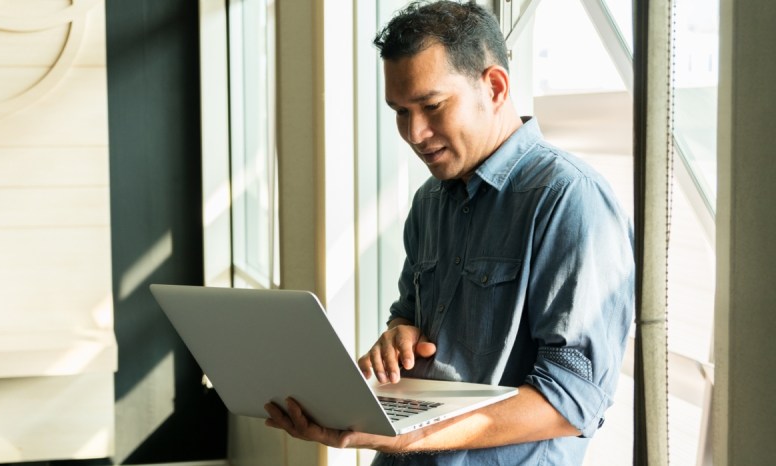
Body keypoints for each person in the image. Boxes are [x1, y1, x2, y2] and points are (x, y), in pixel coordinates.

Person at [264, 1, 635, 464]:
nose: (415, 133)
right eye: (400, 111)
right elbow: (408, 314)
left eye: (432, 106)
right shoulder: (430, 201)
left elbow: (572, 401)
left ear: (495, 86)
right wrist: (399, 335)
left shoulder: (569, 200)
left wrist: (403, 435)